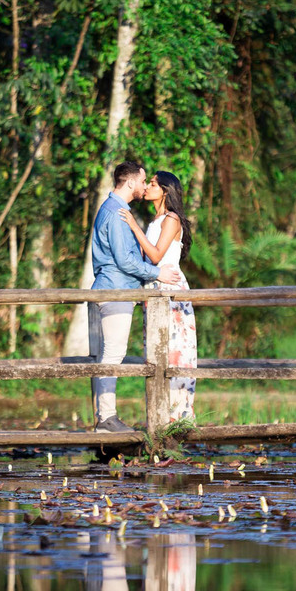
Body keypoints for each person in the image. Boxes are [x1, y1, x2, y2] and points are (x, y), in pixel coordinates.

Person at [90, 161, 182, 432]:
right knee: (112, 355)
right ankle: (106, 418)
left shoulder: (117, 210)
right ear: (130, 183)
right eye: (143, 181)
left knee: (110, 355)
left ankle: (106, 417)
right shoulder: (117, 212)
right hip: (116, 288)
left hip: (117, 288)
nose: (144, 186)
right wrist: (156, 273)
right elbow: (125, 260)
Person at [117, 170, 197, 422]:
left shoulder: (171, 219)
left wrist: (132, 225)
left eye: (152, 183)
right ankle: (160, 416)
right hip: (153, 289)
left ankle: (179, 417)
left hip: (170, 289)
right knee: (155, 351)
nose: (148, 187)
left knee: (175, 351)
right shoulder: (155, 221)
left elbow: (155, 256)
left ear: (165, 190)